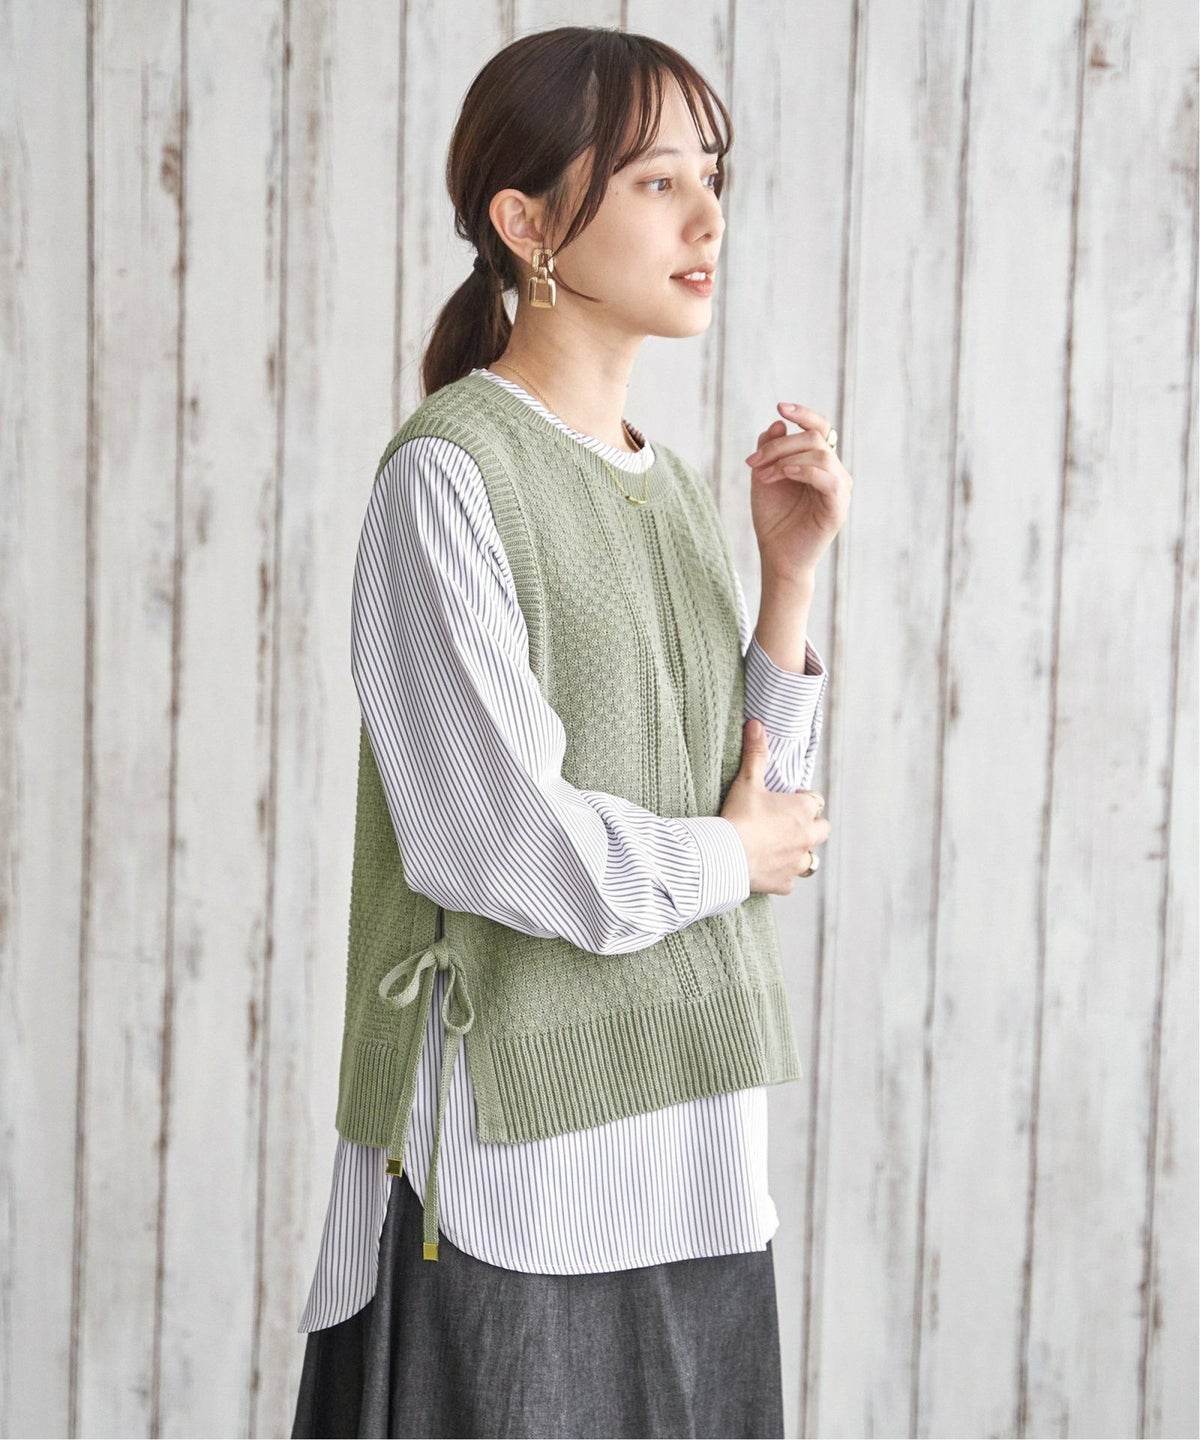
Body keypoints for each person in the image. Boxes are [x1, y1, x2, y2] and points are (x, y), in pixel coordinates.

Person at [291, 23, 851, 1440]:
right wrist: (732, 854)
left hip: (698, 1145)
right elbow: (499, 845)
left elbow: (769, 819)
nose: (707, 216)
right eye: (659, 181)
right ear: (526, 222)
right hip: (518, 1170)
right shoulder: (449, 477)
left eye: (711, 175)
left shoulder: (670, 485)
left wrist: (787, 580)